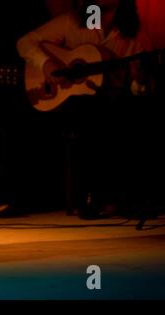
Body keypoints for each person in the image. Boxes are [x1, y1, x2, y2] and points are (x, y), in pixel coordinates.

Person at [17, 0, 152, 219]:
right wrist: (47, 64)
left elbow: (137, 89)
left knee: (130, 111)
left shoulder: (133, 33)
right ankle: (92, 195)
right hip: (72, 104)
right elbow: (25, 43)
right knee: (90, 111)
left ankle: (125, 196)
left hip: (114, 105)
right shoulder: (72, 22)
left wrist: (139, 79)